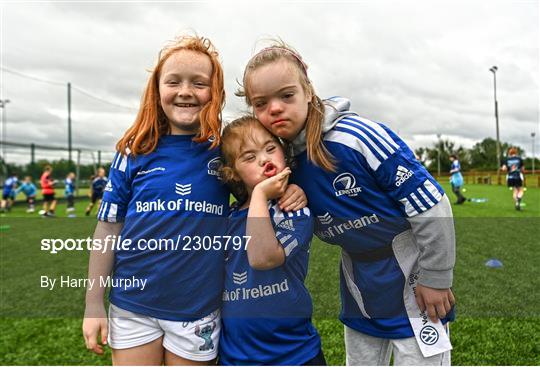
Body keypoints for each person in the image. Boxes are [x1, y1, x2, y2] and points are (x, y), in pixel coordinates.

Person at [82, 35, 306, 366]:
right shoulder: (133, 151)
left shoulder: (224, 151)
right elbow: (108, 229)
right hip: (133, 306)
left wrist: (290, 188)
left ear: (215, 93)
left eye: (199, 83)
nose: (185, 91)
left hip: (197, 310)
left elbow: (258, 188)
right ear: (157, 90)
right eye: (174, 81)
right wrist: (93, 303)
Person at [239, 42, 456, 365]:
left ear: (308, 90)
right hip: (359, 287)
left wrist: (436, 278)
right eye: (261, 103)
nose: (275, 109)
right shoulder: (285, 162)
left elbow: (432, 205)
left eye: (286, 95)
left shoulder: (356, 138)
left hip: (414, 281)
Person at [218, 116, 324, 366]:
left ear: (284, 154)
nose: (264, 159)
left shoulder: (294, 210)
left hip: (296, 355)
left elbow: (263, 257)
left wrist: (260, 194)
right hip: (236, 358)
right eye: (249, 157)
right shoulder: (227, 218)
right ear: (233, 173)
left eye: (270, 148)